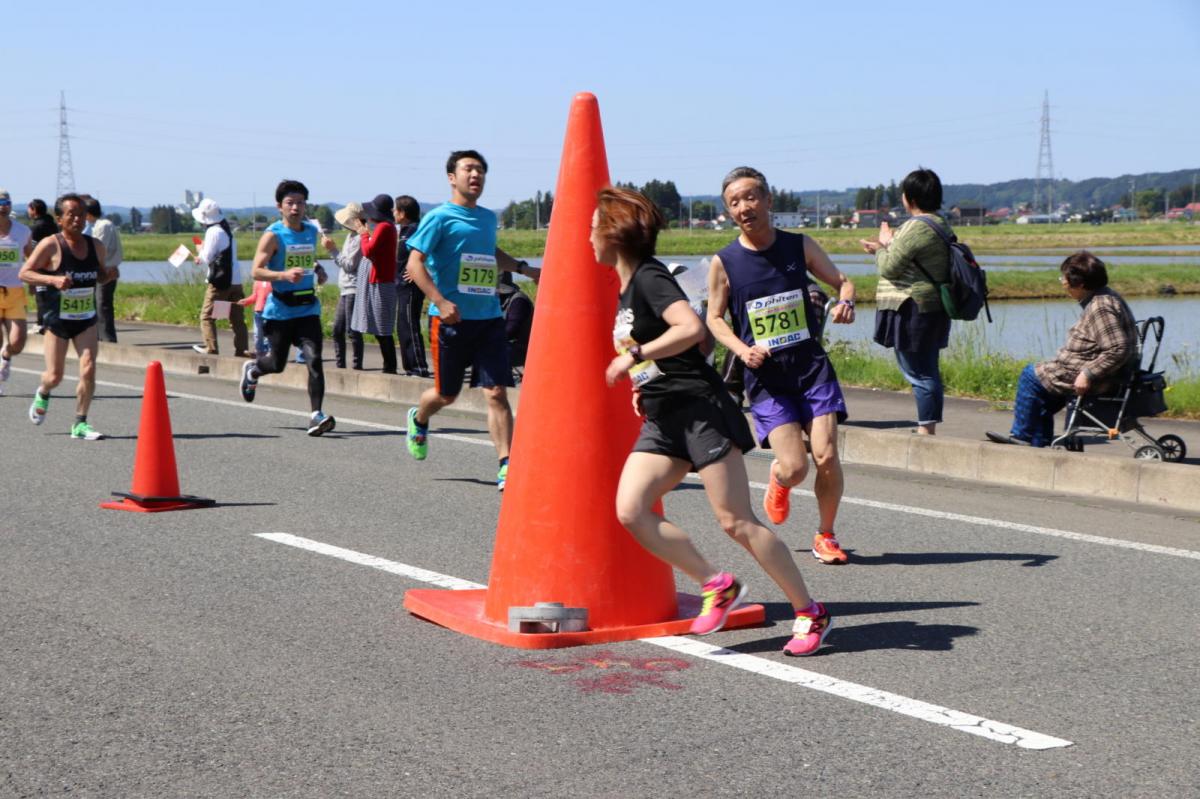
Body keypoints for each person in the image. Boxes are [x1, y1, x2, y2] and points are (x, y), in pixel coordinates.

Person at [596, 186, 831, 656]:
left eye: (592, 229)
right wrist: (643, 381)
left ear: (613, 234)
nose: (587, 239)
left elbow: (691, 328)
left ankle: (811, 612)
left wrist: (635, 356)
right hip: (664, 416)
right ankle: (716, 584)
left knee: (736, 522)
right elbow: (666, 345)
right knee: (630, 510)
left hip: (701, 411)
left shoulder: (648, 277)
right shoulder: (627, 288)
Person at [707, 166, 855, 566]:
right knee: (795, 469)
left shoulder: (798, 245)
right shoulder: (725, 262)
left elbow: (842, 281)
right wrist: (741, 349)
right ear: (728, 212)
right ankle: (779, 478)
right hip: (767, 377)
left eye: (751, 197)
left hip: (810, 368)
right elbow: (715, 319)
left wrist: (846, 301)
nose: (744, 207)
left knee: (826, 455)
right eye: (734, 202)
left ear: (769, 201)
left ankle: (826, 534)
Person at [403, 150, 541, 491]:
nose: (475, 175)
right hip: (450, 321)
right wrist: (440, 301)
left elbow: (490, 253)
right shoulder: (439, 218)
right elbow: (414, 264)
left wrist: (524, 269)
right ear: (452, 177)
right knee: (446, 395)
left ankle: (506, 463)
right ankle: (419, 419)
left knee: (496, 392)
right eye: (468, 169)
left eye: (480, 170)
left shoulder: (487, 219)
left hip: (490, 318)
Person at [986, 251, 1136, 447]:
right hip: (1088, 370)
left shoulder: (1100, 307)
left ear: (1080, 283)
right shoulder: (1105, 296)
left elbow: (1118, 348)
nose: (1062, 282)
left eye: (1064, 278)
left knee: (1030, 376)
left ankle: (1022, 436)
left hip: (1093, 376)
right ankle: (1039, 443)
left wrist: (1087, 373)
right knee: (1042, 394)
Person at [237, 179, 336, 436]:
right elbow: (256, 271)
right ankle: (253, 370)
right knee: (277, 364)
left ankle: (316, 415)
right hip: (280, 310)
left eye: (300, 203)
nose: (296, 208)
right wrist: (283, 276)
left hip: (308, 308)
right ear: (279, 206)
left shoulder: (310, 231)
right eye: (290, 203)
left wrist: (319, 269)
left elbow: (306, 258)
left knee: (314, 360)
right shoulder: (273, 235)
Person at [860, 168, 952, 436]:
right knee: (927, 368)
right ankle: (928, 426)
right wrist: (889, 243)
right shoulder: (940, 223)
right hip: (930, 305)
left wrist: (879, 248)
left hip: (913, 306)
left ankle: (926, 430)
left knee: (919, 371)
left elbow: (889, 267)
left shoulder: (916, 227)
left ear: (909, 197)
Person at [18, 193, 117, 439]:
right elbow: (25, 273)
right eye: (71, 214)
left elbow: (99, 276)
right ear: (59, 219)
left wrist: (110, 275)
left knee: (89, 367)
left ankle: (80, 423)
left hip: (86, 319)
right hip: (57, 320)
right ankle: (43, 390)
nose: (78, 219)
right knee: (55, 376)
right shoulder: (51, 244)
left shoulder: (96, 246)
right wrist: (52, 279)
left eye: (82, 214)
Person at [190, 198, 250, 357]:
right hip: (235, 281)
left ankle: (211, 347)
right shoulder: (226, 230)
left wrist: (199, 253)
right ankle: (242, 349)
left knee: (207, 316)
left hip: (220, 282)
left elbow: (207, 258)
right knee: (236, 318)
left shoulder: (213, 231)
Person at [350, 194, 398, 373]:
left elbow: (368, 251)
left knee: (382, 329)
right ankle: (389, 366)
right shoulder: (387, 226)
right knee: (381, 328)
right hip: (381, 280)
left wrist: (363, 234)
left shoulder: (384, 227)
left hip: (381, 282)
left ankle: (390, 367)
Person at [321, 202, 365, 369]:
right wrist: (334, 250)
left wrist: (332, 250)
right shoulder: (351, 236)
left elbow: (349, 265)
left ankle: (356, 367)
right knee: (337, 330)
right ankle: (340, 366)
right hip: (345, 289)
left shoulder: (360, 238)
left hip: (353, 288)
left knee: (352, 331)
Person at [0, 189, 34, 396]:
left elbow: (32, 256)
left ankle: (5, 356)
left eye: (6, 202)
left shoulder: (22, 232)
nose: (2, 206)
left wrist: (33, 279)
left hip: (15, 292)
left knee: (18, 342)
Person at [393, 195, 429, 377]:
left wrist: (418, 271)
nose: (393, 213)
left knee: (410, 324)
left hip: (411, 286)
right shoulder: (404, 229)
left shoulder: (415, 230)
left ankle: (418, 367)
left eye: (395, 209)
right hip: (401, 286)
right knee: (402, 326)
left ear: (402, 213)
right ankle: (409, 367)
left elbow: (427, 251)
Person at [84, 197, 122, 343]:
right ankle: (100, 336)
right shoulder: (96, 225)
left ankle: (108, 338)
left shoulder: (103, 225)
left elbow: (99, 248)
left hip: (107, 269)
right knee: (98, 304)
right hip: (100, 269)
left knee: (103, 304)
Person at [26, 199, 57, 333]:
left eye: (29, 209)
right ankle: (49, 322)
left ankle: (41, 323)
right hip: (55, 265)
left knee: (41, 295)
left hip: (40, 266)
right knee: (51, 296)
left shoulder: (35, 228)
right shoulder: (53, 225)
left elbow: (31, 250)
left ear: (34, 210)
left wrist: (30, 268)